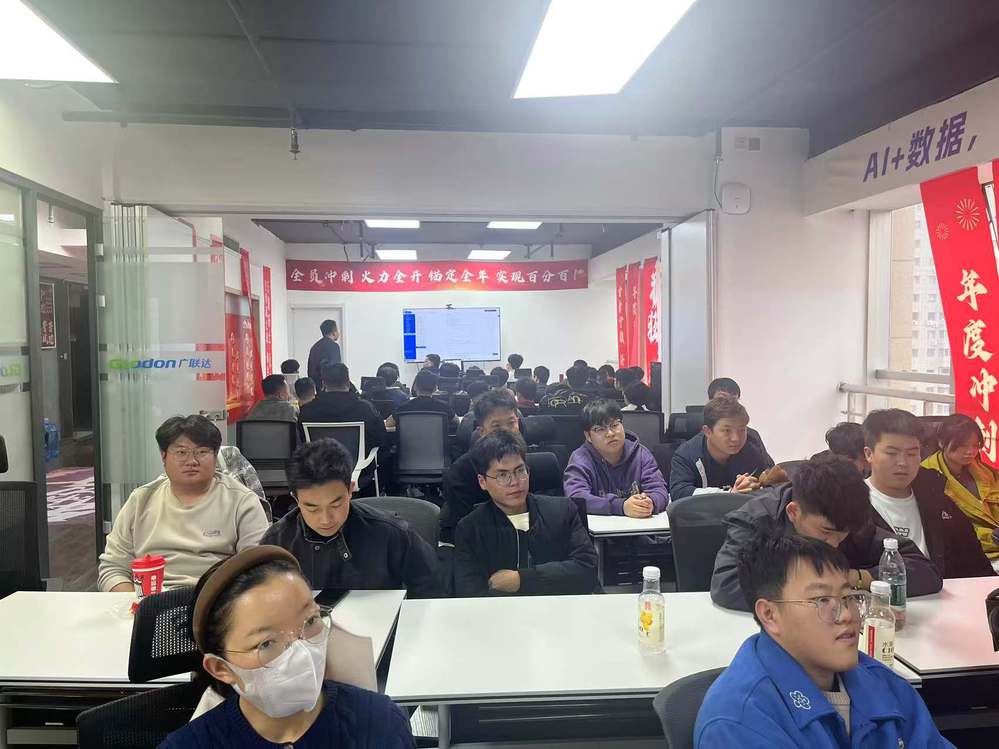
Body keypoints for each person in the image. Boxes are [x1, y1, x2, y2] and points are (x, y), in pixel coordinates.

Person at [696, 532, 955, 749]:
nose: (846, 615)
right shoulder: (738, 721)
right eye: (822, 600)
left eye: (848, 597)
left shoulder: (883, 683)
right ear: (769, 614)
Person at [159, 545, 415, 748]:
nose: (301, 652)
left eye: (310, 620)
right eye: (267, 643)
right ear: (221, 668)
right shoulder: (189, 744)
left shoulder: (380, 723)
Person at [710, 453, 942, 611]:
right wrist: (815, 590)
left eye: (843, 534)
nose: (834, 543)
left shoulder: (850, 520)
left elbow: (925, 571)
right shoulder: (756, 520)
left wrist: (857, 577)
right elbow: (728, 585)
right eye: (826, 531)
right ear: (794, 512)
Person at [98, 415, 269, 592]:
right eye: (181, 452)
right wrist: (136, 603)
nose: (191, 461)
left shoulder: (242, 501)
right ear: (163, 456)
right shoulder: (140, 500)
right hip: (149, 600)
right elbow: (113, 568)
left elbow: (258, 571)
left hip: (214, 600)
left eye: (202, 452)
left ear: (215, 455)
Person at [261, 439, 439, 597]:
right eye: (312, 508)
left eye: (336, 504)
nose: (325, 519)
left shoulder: (391, 533)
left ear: (350, 490)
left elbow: (431, 590)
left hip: (378, 620)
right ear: (295, 499)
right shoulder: (277, 543)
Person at [453, 430, 598, 597]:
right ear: (482, 482)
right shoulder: (470, 529)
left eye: (520, 471)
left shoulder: (563, 511)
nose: (515, 482)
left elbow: (588, 571)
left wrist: (523, 579)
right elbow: (469, 593)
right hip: (501, 612)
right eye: (502, 475)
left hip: (561, 608)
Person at [864, 409, 994, 579]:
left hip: (945, 593)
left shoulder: (937, 499)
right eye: (892, 453)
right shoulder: (851, 505)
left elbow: (976, 563)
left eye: (912, 453)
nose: (903, 462)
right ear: (869, 454)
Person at [440, 389, 522, 544]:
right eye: (496, 427)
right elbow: (466, 529)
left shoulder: (531, 463)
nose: (506, 432)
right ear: (481, 431)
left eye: (511, 423)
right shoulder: (461, 473)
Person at [563, 399, 669, 516]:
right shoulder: (580, 459)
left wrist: (649, 502)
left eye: (614, 425)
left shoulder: (641, 454)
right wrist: (620, 506)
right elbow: (576, 497)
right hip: (599, 527)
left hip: (639, 524)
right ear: (588, 436)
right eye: (600, 429)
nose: (610, 433)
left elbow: (660, 490)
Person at [922, 414, 999, 572]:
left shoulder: (986, 472)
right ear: (942, 442)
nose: (970, 451)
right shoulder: (927, 477)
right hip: (973, 554)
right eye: (962, 445)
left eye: (975, 445)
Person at [669, 395, 774, 501]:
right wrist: (729, 494)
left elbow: (769, 478)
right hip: (703, 511)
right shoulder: (687, 454)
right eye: (727, 431)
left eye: (742, 430)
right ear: (707, 431)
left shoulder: (752, 446)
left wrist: (757, 484)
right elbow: (678, 493)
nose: (736, 438)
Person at [299, 363, 387, 452]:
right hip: (357, 461)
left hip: (319, 460)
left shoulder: (307, 411)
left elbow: (303, 441)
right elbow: (381, 438)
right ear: (348, 382)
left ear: (323, 383)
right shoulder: (365, 409)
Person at [707, 377, 773, 465]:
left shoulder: (751, 436)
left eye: (734, 400)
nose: (729, 405)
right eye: (722, 399)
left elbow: (769, 469)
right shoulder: (696, 444)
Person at [306, 320, 342, 390]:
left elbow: (310, 370)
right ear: (334, 332)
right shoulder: (334, 346)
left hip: (315, 388)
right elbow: (336, 369)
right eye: (337, 330)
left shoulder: (314, 347)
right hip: (329, 388)